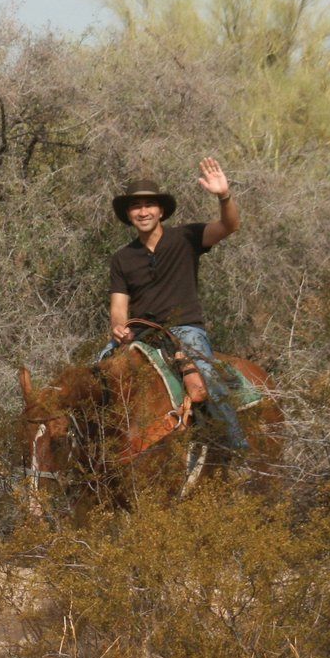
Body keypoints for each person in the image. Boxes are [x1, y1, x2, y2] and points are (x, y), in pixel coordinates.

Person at [106, 159, 247, 453]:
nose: (143, 212)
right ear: (128, 214)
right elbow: (119, 306)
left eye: (149, 205)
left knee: (206, 380)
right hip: (142, 334)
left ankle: (237, 449)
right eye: (136, 207)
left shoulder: (186, 237)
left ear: (160, 210)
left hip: (185, 329)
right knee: (96, 376)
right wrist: (119, 328)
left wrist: (224, 196)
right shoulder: (122, 258)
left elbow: (230, 225)